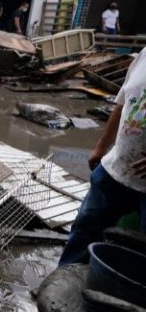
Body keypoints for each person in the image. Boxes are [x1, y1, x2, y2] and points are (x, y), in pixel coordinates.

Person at [58, 48, 146, 266]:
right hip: (115, 167)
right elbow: (122, 103)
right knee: (85, 229)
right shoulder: (144, 56)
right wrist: (101, 146)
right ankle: (63, 279)